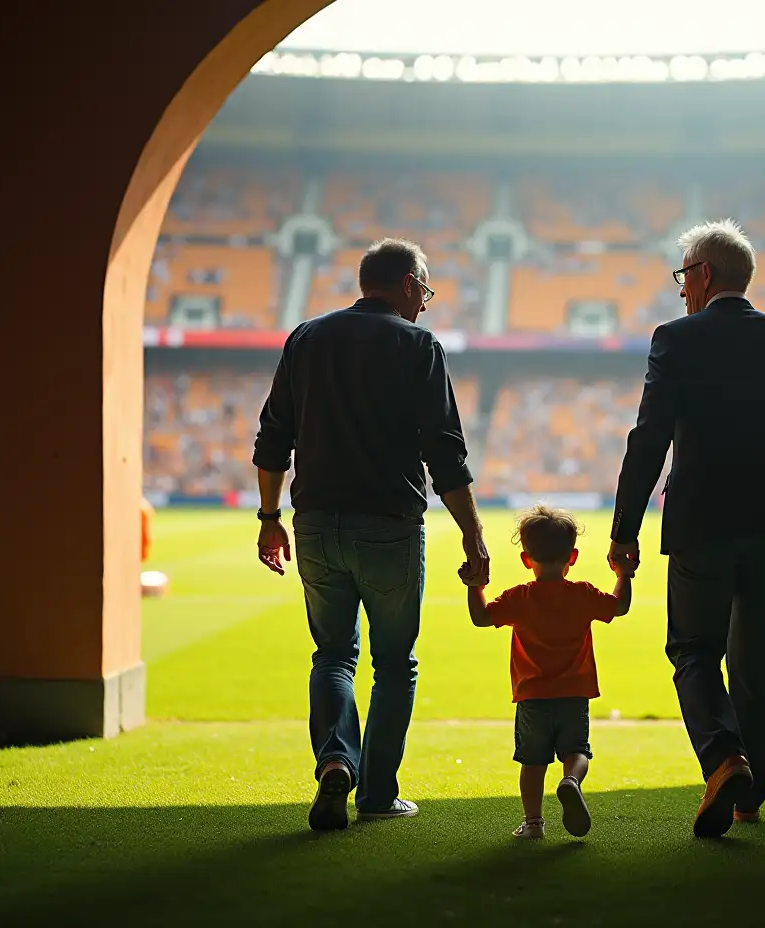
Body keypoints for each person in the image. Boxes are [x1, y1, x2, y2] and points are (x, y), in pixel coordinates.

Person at [253, 238, 491, 831]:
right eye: (426, 292)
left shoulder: (306, 338)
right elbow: (446, 453)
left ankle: (336, 759)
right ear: (409, 284)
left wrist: (268, 518)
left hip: (313, 524)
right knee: (393, 663)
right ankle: (378, 793)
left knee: (332, 655)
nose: (426, 305)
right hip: (388, 525)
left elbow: (272, 437)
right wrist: (474, 538)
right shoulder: (418, 346)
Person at [609, 219, 765, 838]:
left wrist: (624, 528)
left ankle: (723, 758)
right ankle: (748, 795)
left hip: (699, 523)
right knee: (754, 658)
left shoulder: (676, 339)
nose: (682, 289)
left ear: (704, 275)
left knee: (693, 650)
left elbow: (649, 436)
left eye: (685, 275)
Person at [466, 505, 632, 840]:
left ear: (527, 559)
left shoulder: (519, 597)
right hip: (575, 693)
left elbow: (481, 617)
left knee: (532, 762)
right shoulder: (582, 594)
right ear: (572, 556)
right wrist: (622, 573)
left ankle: (534, 824)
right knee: (578, 751)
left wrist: (476, 584)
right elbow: (620, 606)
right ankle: (571, 780)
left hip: (532, 696)